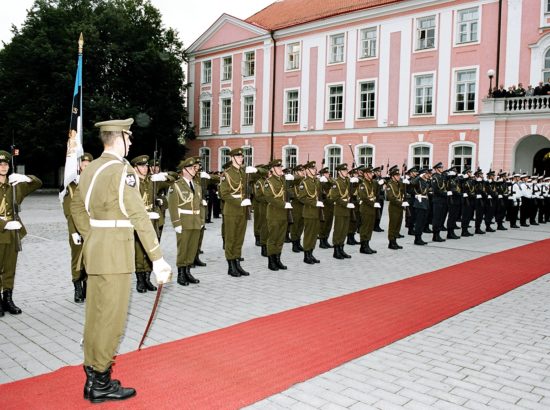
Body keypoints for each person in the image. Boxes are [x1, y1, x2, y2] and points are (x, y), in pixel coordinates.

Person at [71, 118, 172, 403]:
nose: (131, 143)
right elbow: (138, 214)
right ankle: (101, 381)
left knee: (95, 316)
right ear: (120, 138)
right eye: (129, 137)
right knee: (111, 321)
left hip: (96, 249)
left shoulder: (90, 169)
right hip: (115, 253)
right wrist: (158, 259)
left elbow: (76, 205)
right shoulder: (121, 169)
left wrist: (91, 233)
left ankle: (92, 376)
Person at [0, 150, 42, 316]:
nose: (3, 167)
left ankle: (8, 299)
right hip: (2, 230)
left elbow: (38, 183)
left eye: (5, 164)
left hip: (13, 234)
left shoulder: (15, 186)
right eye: (0, 164)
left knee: (10, 268)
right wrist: (4, 223)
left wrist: (25, 178)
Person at [219, 148, 256, 277]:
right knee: (231, 238)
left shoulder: (243, 173)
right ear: (232, 158)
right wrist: (239, 202)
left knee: (239, 238)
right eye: (238, 157)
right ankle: (230, 265)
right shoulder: (227, 174)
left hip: (242, 210)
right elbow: (223, 194)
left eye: (242, 157)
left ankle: (237, 262)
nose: (241, 158)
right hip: (231, 210)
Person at [62, 152, 93, 303]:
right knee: (77, 258)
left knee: (90, 257)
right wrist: (74, 231)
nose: (86, 167)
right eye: (84, 164)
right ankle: (77, 287)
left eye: (89, 165)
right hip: (76, 229)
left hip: (92, 228)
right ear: (79, 166)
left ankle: (88, 286)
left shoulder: (94, 184)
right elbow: (69, 212)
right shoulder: (71, 185)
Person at [168, 157, 202, 286]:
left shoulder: (197, 186)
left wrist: (202, 220)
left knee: (192, 248)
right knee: (183, 248)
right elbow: (172, 206)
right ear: (184, 170)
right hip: (184, 221)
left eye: (195, 168)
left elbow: (200, 205)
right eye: (192, 168)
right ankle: (181, 274)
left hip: (196, 221)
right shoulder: (176, 186)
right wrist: (176, 223)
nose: (194, 170)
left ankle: (188, 272)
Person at [264, 159, 290, 271]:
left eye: (281, 167)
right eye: (278, 167)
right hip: (274, 214)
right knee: (273, 238)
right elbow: (269, 198)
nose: (281, 169)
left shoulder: (283, 180)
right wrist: (284, 204)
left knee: (280, 239)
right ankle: (271, 261)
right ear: (272, 169)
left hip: (283, 214)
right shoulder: (268, 182)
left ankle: (278, 259)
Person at [297, 160, 323, 263]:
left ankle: (311, 253)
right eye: (312, 168)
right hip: (309, 212)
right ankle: (306, 255)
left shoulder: (316, 181)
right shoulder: (304, 182)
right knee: (309, 234)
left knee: (314, 234)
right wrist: (314, 203)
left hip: (317, 212)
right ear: (307, 171)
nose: (314, 170)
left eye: (314, 168)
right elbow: (301, 198)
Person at [328, 163, 353, 259]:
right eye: (344, 171)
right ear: (339, 172)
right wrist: (346, 204)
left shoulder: (347, 181)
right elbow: (335, 197)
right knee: (338, 230)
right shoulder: (336, 183)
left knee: (344, 230)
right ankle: (336, 251)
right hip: (339, 209)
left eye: (346, 170)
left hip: (347, 210)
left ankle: (342, 249)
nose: (346, 172)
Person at [356, 166, 379, 253]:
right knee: (365, 228)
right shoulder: (362, 184)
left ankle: (367, 244)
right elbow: (364, 197)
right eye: (369, 173)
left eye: (371, 173)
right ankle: (363, 246)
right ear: (365, 174)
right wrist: (373, 204)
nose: (371, 174)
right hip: (365, 209)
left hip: (372, 209)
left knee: (370, 227)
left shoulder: (372, 183)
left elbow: (376, 191)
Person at [386, 166, 408, 249]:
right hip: (394, 207)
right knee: (393, 225)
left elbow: (404, 191)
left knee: (398, 224)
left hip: (400, 207)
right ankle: (391, 242)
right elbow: (390, 197)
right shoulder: (390, 185)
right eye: (397, 175)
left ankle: (395, 241)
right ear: (392, 176)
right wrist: (401, 203)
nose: (399, 176)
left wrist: (406, 182)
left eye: (399, 175)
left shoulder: (399, 184)